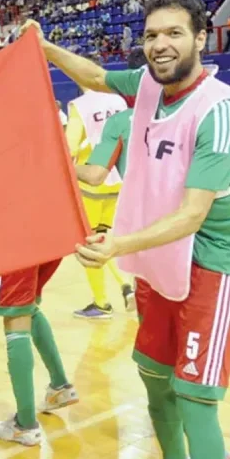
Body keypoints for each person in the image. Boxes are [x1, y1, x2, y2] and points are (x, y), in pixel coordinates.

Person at [22, 0, 230, 459]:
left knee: (196, 393)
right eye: (152, 35)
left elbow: (192, 214)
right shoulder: (144, 87)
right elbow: (96, 77)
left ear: (201, 39)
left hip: (209, 264)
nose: (160, 45)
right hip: (156, 258)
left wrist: (117, 244)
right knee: (155, 379)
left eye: (174, 34)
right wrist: (44, 45)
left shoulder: (218, 110)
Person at [0, 47, 78, 447]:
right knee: (31, 306)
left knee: (14, 319)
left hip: (18, 228)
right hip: (54, 226)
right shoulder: (48, 114)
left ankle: (24, 423)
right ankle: (61, 385)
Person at [66, 57, 136, 320]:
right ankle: (127, 286)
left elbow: (69, 148)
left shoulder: (80, 106)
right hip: (119, 181)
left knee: (88, 246)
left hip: (92, 185)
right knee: (106, 239)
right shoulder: (119, 100)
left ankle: (101, 303)